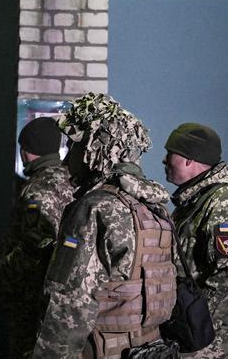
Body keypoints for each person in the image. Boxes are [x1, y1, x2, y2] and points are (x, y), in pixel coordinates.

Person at [33, 92, 178, 358]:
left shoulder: (94, 207)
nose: (66, 160)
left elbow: (68, 304)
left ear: (94, 149)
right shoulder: (156, 209)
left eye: (73, 147)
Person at [163, 122, 228, 358]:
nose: (164, 161)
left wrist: (198, 329)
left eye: (169, 154)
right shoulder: (194, 202)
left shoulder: (225, 202)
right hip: (192, 333)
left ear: (188, 159)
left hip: (211, 342)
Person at [0, 117, 74, 359]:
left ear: (25, 150)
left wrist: (3, 274)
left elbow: (35, 248)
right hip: (60, 302)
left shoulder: (38, 189)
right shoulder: (71, 181)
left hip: (32, 301)